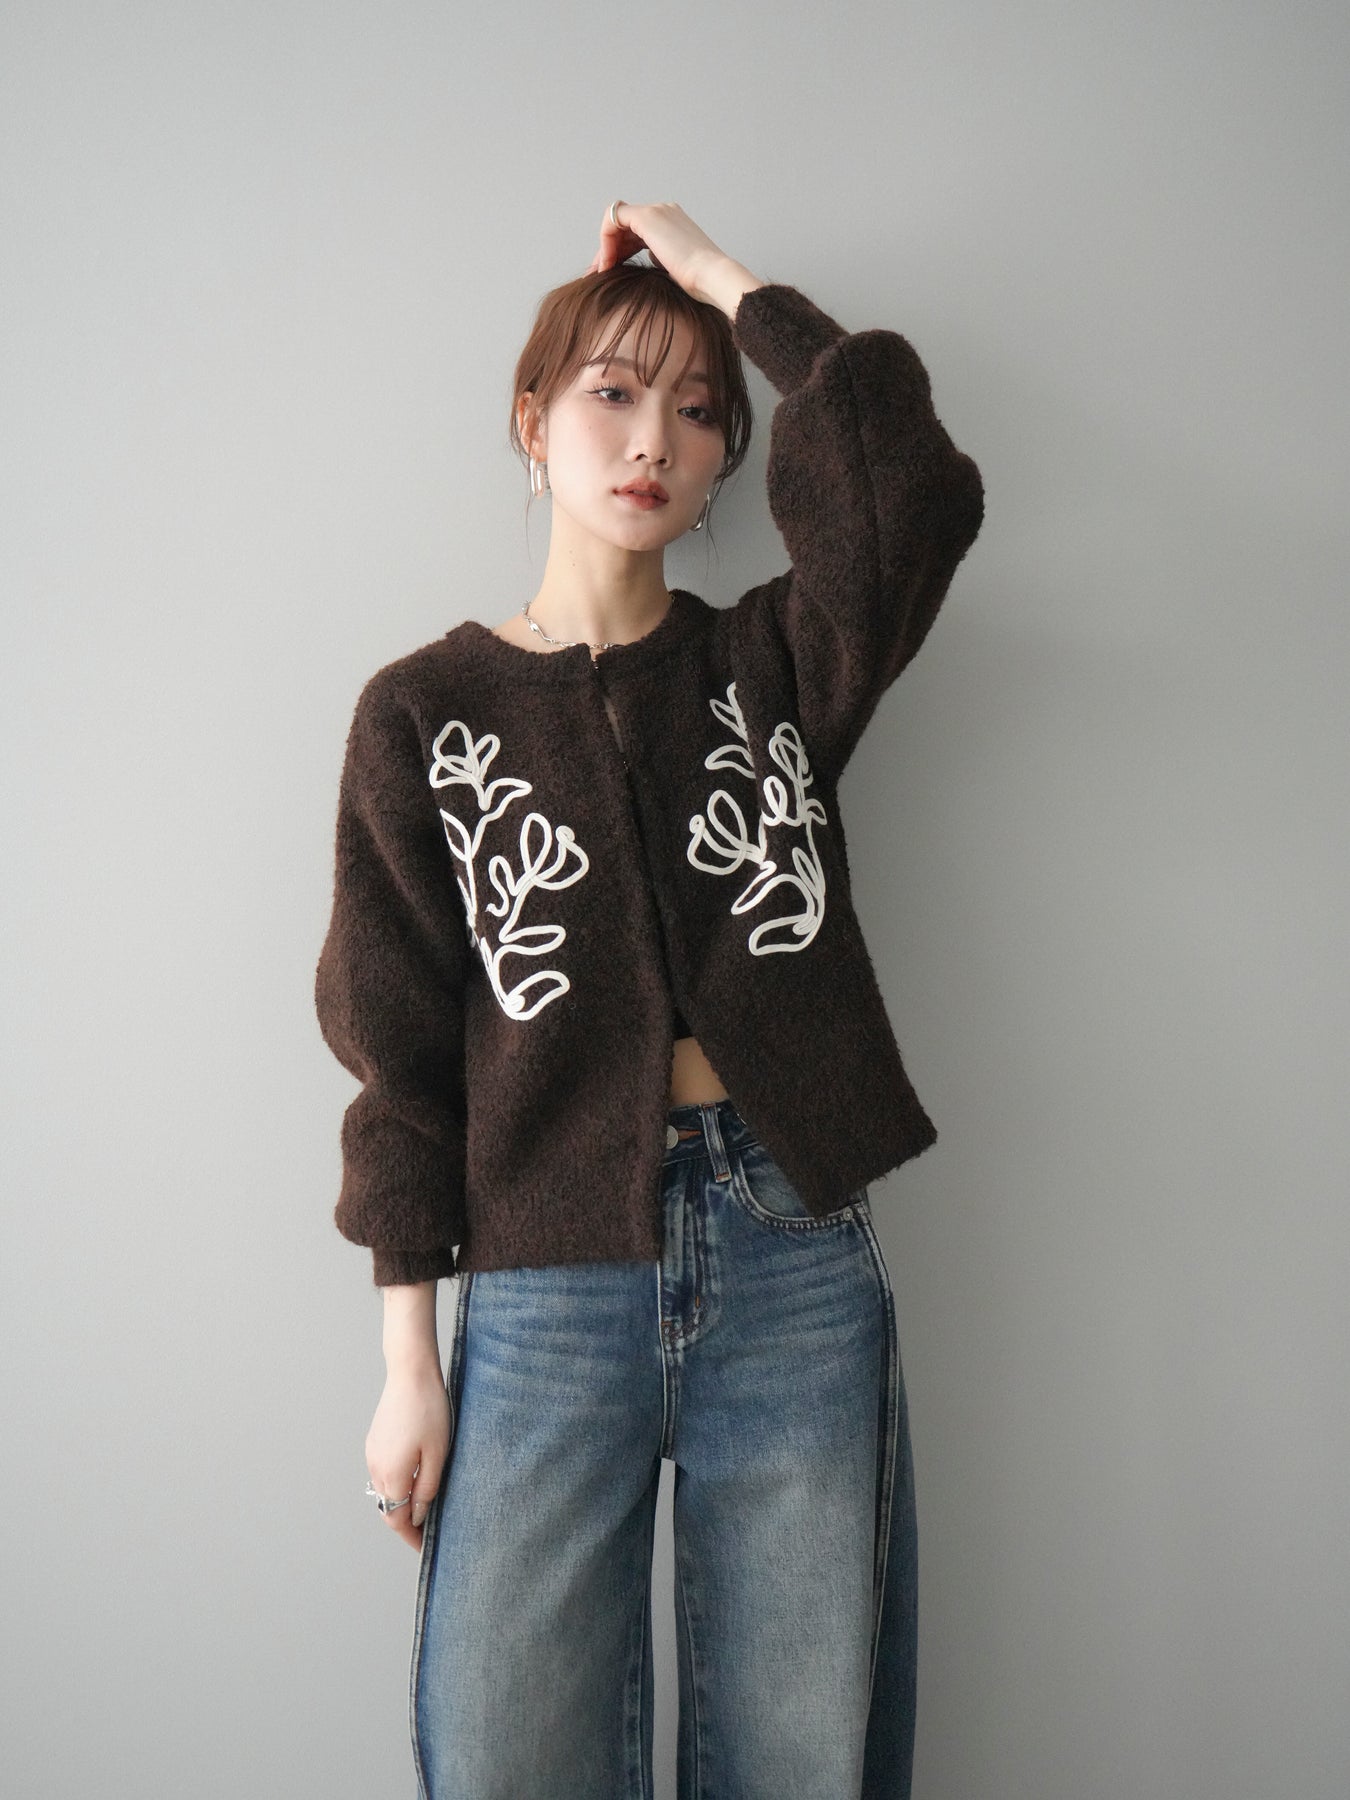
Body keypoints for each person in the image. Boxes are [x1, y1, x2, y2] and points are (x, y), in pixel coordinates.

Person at [315, 199, 984, 1798]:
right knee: (508, 1755)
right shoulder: (423, 714)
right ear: (530, 419)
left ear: (725, 460)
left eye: (696, 412)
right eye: (611, 393)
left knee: (800, 1754)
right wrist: (408, 1361)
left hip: (788, 1241)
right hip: (543, 1269)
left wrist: (717, 282)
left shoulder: (771, 664)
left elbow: (905, 493)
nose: (652, 440)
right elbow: (398, 1057)